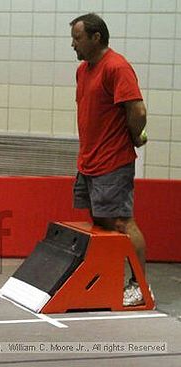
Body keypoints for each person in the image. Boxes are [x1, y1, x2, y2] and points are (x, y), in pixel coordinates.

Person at [69, 13, 149, 306]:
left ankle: (140, 285)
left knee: (122, 221)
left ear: (96, 38)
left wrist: (132, 135)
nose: (73, 45)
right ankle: (109, 278)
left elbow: (137, 111)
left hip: (113, 161)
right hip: (88, 161)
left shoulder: (117, 67)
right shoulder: (83, 71)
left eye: (77, 38)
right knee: (100, 221)